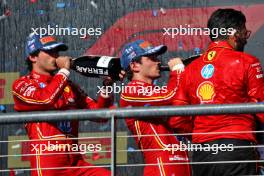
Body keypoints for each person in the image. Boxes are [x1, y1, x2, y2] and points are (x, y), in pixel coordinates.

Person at [168, 8, 264, 176]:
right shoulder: (247, 62)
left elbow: (177, 120)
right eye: (244, 33)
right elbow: (262, 110)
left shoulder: (190, 69)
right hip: (236, 149)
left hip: (202, 155)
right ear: (234, 34)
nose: (245, 39)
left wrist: (203, 137)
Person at [12, 33, 123, 176]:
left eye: (57, 51)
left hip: (76, 162)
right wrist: (64, 70)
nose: (56, 56)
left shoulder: (68, 85)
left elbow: (100, 114)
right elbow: (45, 100)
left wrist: (107, 85)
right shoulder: (22, 84)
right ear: (33, 57)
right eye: (50, 52)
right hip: (48, 164)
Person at [119, 40, 191, 176]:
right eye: (152, 58)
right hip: (160, 167)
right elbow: (170, 95)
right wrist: (178, 70)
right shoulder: (131, 90)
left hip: (181, 163)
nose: (158, 62)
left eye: (157, 58)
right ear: (134, 66)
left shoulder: (156, 92)